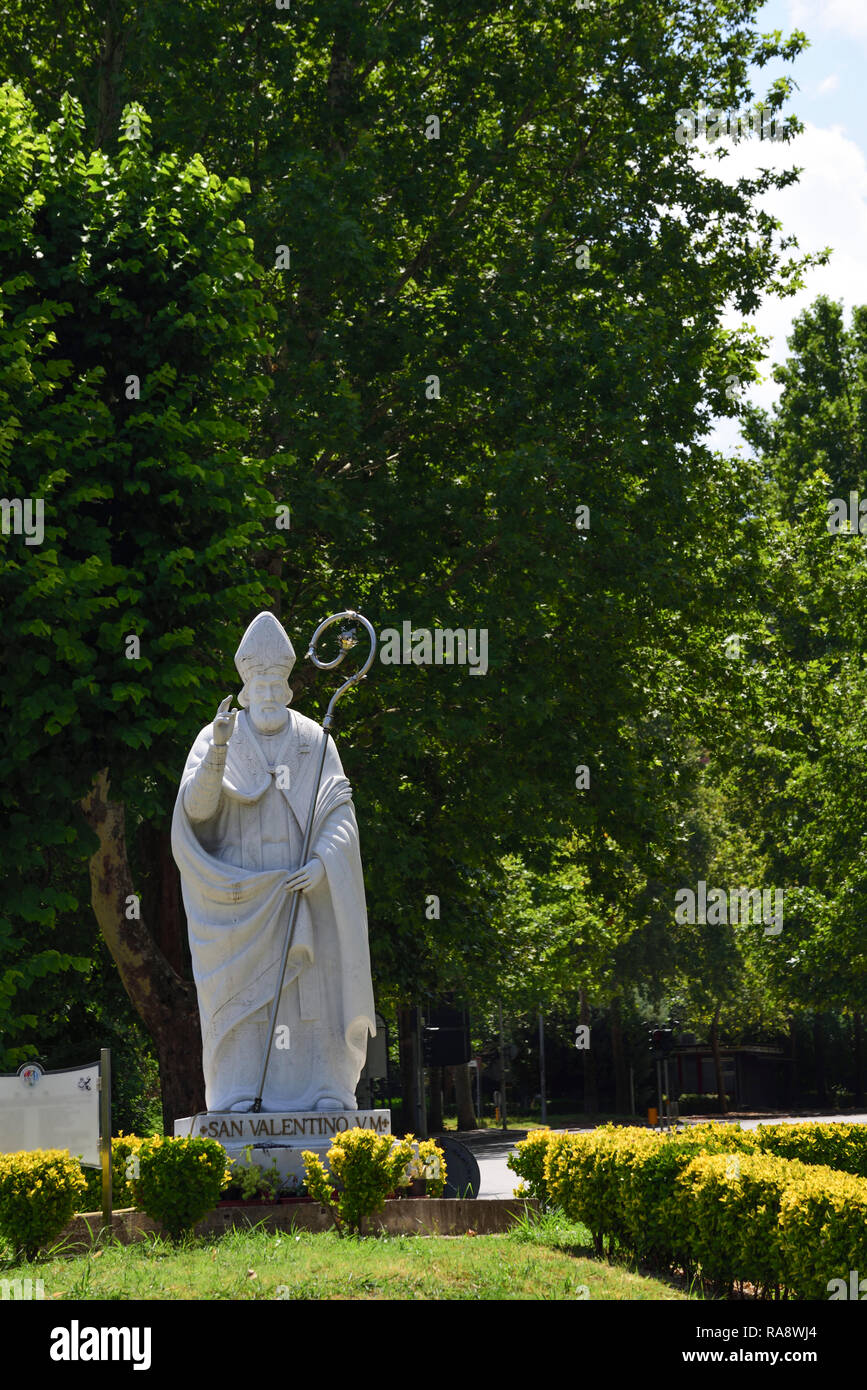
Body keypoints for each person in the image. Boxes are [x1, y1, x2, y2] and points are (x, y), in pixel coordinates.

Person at [171, 611, 375, 1113]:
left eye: (273, 684)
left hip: (303, 892)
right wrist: (218, 750)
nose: (265, 693)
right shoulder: (218, 736)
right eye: (256, 684)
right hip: (241, 902)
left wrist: (325, 863)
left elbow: (339, 813)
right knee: (249, 1002)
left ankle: (324, 1088)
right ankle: (239, 1092)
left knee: (312, 994)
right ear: (245, 688)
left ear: (285, 688)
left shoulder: (313, 740)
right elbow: (195, 812)